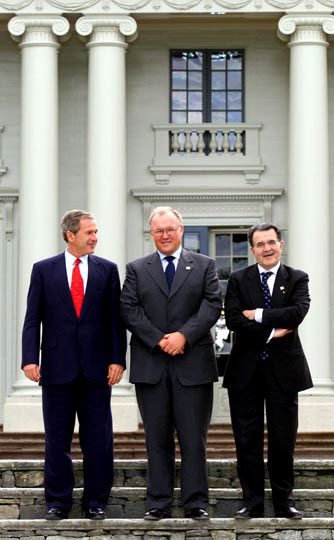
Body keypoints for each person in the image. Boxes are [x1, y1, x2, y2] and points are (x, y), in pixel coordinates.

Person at [22, 209, 127, 521]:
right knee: (57, 441)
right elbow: (32, 319)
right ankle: (58, 502)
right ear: (70, 235)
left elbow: (114, 321)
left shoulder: (108, 270)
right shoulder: (43, 270)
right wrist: (30, 358)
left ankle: (96, 502)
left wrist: (117, 359)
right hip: (56, 369)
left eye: (96, 232)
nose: (95, 237)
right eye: (89, 233)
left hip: (97, 370)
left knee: (99, 441)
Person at [120, 206, 222, 521]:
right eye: (158, 231)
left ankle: (196, 502)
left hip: (193, 365)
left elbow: (212, 304)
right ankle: (158, 502)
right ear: (151, 234)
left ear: (181, 229)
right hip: (152, 365)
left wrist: (184, 336)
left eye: (170, 229)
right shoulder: (137, 268)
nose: (165, 235)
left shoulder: (205, 265)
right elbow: (128, 308)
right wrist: (159, 339)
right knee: (156, 437)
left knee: (194, 438)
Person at [223, 223, 312, 520]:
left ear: (281, 244)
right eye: (260, 244)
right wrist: (272, 332)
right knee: (246, 439)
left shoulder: (297, 278)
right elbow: (234, 319)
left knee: (282, 440)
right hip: (245, 372)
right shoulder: (237, 279)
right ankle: (252, 502)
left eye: (271, 242)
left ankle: (284, 501)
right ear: (252, 250)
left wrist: (258, 314)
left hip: (283, 373)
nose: (267, 248)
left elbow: (297, 313)